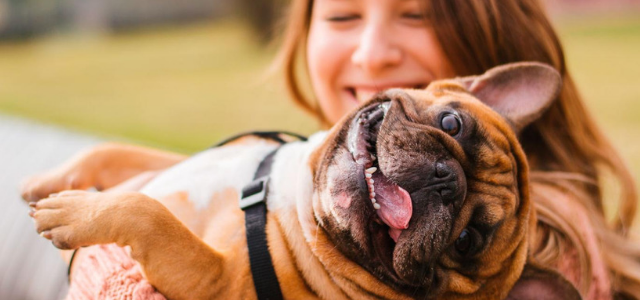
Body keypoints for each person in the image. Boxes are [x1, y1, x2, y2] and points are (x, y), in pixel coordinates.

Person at [21, 0, 640, 299]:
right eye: (343, 17)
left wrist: (106, 257)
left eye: (416, 16)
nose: (372, 53)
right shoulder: (322, 167)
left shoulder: (549, 251)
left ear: (489, 42)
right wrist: (113, 166)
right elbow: (221, 179)